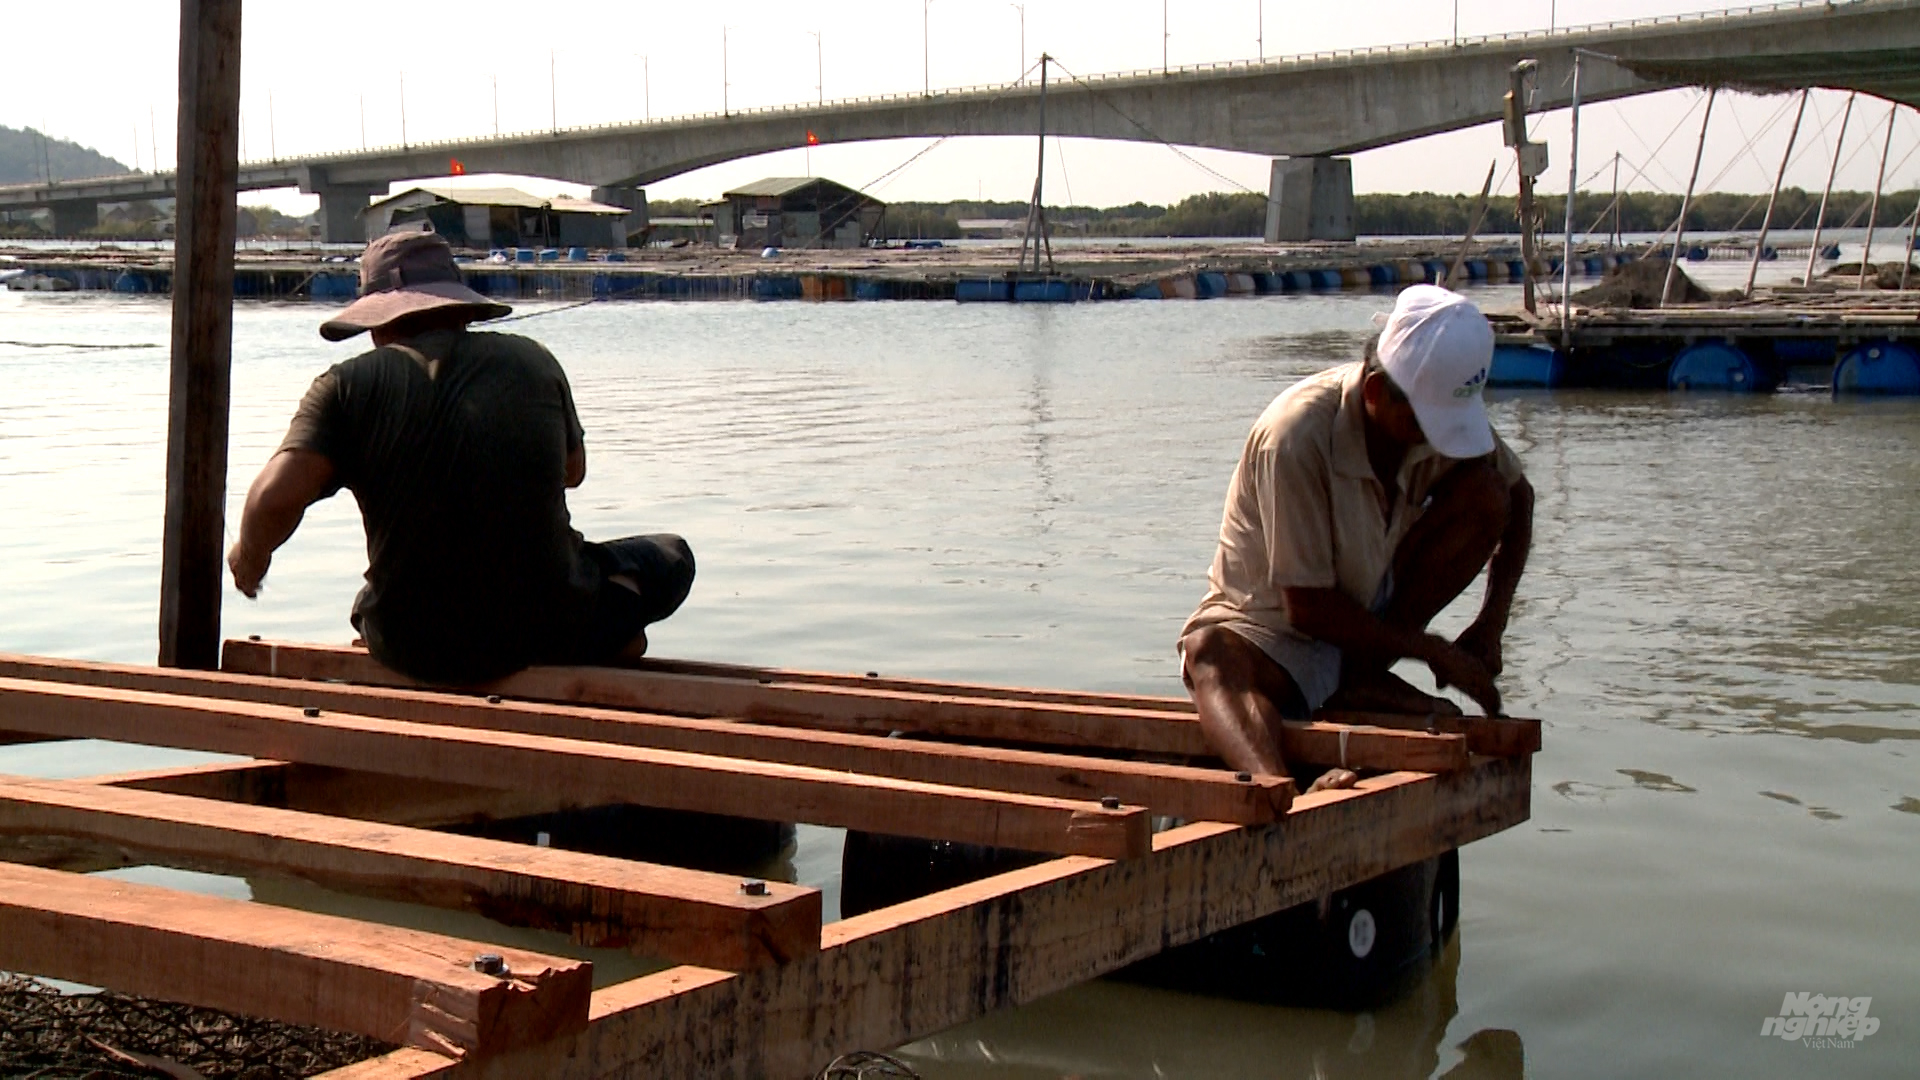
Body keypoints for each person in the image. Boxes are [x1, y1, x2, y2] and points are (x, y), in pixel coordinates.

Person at [228, 229, 694, 685]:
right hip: (550, 629)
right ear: (459, 307)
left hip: (406, 643)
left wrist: (250, 561)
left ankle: (599, 635)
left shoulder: (344, 386)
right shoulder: (533, 361)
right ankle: (612, 636)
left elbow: (271, 500)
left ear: (376, 320)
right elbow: (573, 473)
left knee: (373, 598)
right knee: (670, 556)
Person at [1178, 285, 1533, 794]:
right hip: (1274, 629)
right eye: (1424, 424)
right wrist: (1431, 651)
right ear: (1373, 393)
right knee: (1209, 651)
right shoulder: (1296, 436)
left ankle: (1358, 677)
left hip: (1370, 609)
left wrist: (1491, 622)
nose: (1436, 440)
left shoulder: (1436, 419)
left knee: (1488, 495)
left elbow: (1520, 500)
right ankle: (1279, 793)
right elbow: (1307, 609)